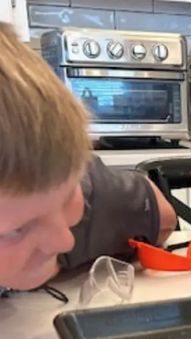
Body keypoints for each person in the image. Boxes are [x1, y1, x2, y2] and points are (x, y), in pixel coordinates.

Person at [0, 22, 176, 292]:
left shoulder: (65, 178)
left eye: (69, 195)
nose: (64, 241)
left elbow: (162, 218)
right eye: (15, 230)